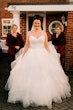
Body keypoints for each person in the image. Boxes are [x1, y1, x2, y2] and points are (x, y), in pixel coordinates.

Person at [5, 15, 71, 109]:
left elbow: (46, 45)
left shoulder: (44, 33)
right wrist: (23, 56)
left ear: (40, 24)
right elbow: (27, 45)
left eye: (38, 23)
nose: (37, 24)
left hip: (42, 54)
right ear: (33, 23)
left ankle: (44, 94)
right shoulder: (29, 33)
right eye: (35, 23)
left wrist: (49, 55)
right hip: (31, 54)